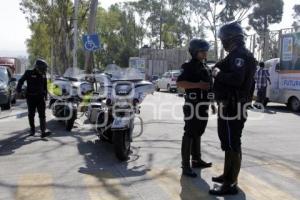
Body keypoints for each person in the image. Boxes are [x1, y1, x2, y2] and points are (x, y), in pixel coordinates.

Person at [209, 22, 256, 195]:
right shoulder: (235, 55)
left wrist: (218, 74)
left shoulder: (240, 56)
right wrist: (216, 68)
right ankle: (227, 175)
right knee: (228, 142)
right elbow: (220, 65)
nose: (222, 42)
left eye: (223, 39)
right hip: (230, 106)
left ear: (230, 39)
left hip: (233, 107)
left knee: (232, 143)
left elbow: (237, 79)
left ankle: (230, 183)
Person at [176, 39, 213, 178]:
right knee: (189, 133)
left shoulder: (205, 66)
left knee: (198, 132)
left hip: (204, 105)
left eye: (205, 51)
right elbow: (180, 82)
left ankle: (196, 160)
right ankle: (185, 165)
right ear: (194, 52)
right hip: (192, 104)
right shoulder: (188, 66)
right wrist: (198, 85)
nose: (205, 53)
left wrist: (212, 103)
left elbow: (209, 85)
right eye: (202, 51)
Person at [16, 59, 50, 138]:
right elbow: (21, 81)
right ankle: (32, 130)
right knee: (31, 114)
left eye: (44, 69)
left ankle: (43, 131)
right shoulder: (28, 72)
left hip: (40, 97)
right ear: (37, 67)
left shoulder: (43, 74)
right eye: (42, 69)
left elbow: (45, 85)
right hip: (31, 97)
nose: (44, 70)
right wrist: (18, 90)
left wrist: (46, 96)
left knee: (42, 114)